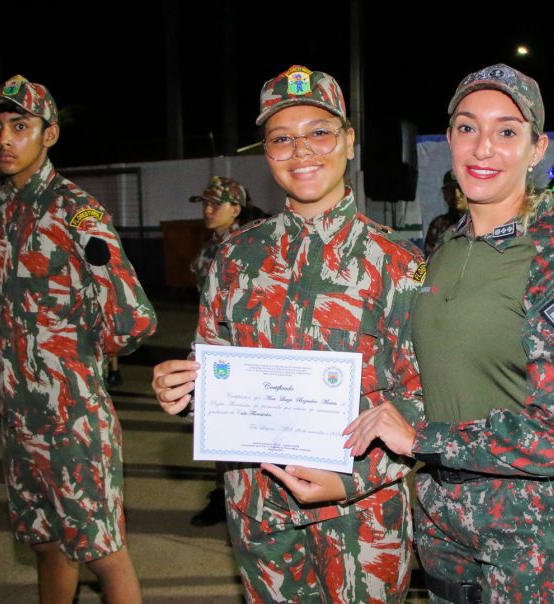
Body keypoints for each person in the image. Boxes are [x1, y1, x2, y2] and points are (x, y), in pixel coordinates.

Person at [151, 64, 425, 602]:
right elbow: (216, 368)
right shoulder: (234, 256)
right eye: (281, 138)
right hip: (258, 510)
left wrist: (350, 482)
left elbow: (424, 398)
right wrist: (183, 392)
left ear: (349, 141)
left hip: (361, 518)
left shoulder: (398, 263)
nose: (302, 151)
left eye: (319, 132)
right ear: (266, 153)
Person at [344, 64, 554, 602]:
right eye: (467, 128)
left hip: (538, 531)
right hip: (445, 520)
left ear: (537, 148)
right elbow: (412, 370)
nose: (483, 147)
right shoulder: (439, 254)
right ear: (448, 140)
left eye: (507, 131)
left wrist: (421, 440)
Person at [0, 75, 157, 603]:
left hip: (72, 414)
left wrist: (75, 356)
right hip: (17, 413)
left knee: (103, 553)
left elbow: (134, 317)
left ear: (49, 135)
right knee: (44, 544)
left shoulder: (79, 214)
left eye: (20, 126)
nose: (4, 139)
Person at [186, 175, 248, 527]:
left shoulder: (247, 245)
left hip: (239, 352)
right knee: (216, 429)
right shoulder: (211, 246)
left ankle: (241, 496)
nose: (208, 210)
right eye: (205, 204)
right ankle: (223, 494)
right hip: (211, 347)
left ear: (235, 209)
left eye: (216, 204)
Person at [423, 169, 468, 257]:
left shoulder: (481, 223)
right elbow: (430, 260)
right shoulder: (438, 225)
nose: (457, 194)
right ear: (444, 194)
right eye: (451, 189)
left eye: (460, 188)